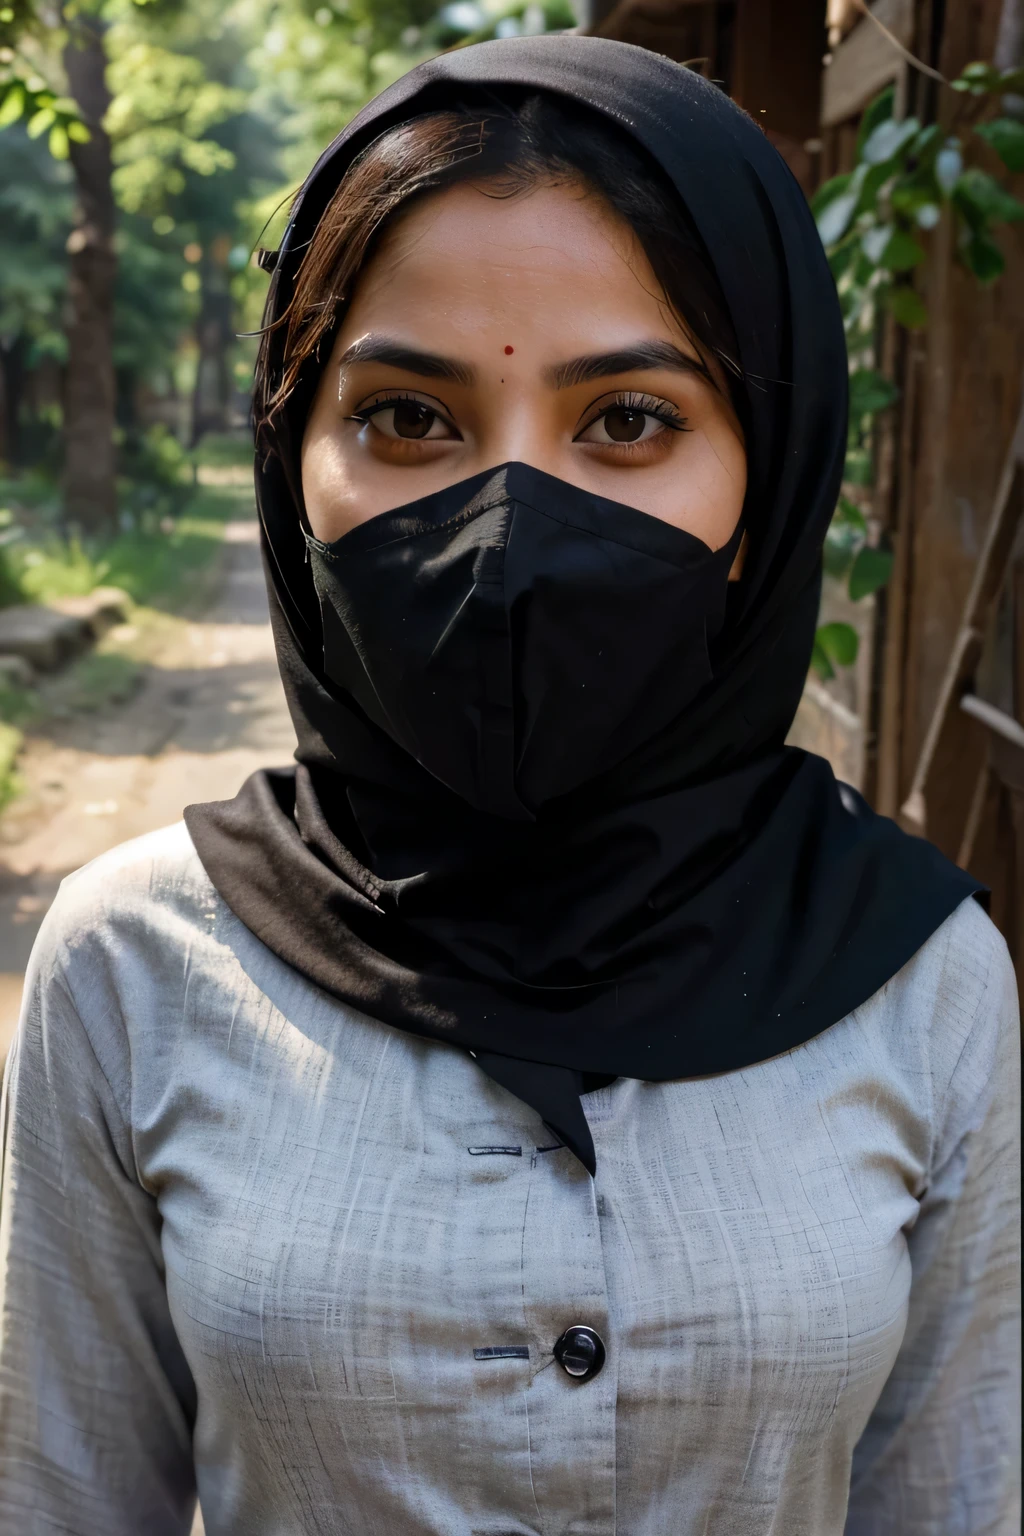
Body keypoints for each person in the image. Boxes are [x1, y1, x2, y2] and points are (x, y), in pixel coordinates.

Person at [0, 35, 1019, 1536]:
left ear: (770, 484)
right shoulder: (131, 966)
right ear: (293, 467)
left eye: (629, 422)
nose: (505, 531)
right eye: (409, 419)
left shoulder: (925, 983)